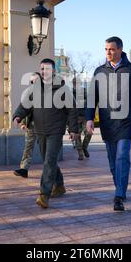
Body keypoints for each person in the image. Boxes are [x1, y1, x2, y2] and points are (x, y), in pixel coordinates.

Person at [86, 36, 131, 212]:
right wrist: (89, 118)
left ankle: (119, 195)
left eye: (112, 49)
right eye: (106, 49)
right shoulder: (99, 71)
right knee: (113, 162)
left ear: (120, 49)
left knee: (122, 157)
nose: (108, 52)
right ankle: (120, 187)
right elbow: (92, 97)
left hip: (126, 122)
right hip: (107, 123)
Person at [13, 59, 79, 209]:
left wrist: (74, 130)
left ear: (54, 71)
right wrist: (18, 116)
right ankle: (60, 185)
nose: (44, 72)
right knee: (49, 161)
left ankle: (44, 195)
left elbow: (72, 110)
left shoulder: (63, 89)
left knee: (49, 161)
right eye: (42, 69)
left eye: (47, 69)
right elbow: (25, 105)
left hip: (55, 131)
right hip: (40, 131)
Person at [13, 72, 40, 179]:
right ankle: (24, 168)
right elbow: (25, 108)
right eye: (32, 81)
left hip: (45, 125)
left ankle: (54, 173)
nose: (34, 83)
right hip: (32, 125)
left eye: (36, 80)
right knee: (28, 147)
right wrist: (22, 122)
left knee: (47, 149)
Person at [72, 77, 92, 161]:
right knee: (77, 136)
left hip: (84, 116)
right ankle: (80, 153)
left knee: (89, 133)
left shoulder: (85, 92)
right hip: (75, 117)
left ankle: (84, 147)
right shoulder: (70, 93)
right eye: (76, 83)